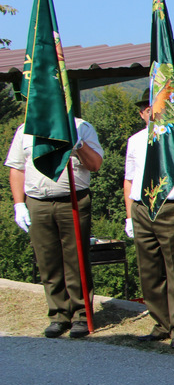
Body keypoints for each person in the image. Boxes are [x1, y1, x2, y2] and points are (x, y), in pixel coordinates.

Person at [7, 117, 104, 338]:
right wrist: (19, 204)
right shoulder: (25, 129)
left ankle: (81, 314)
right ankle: (59, 315)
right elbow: (17, 168)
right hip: (37, 202)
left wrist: (79, 144)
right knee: (47, 261)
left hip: (73, 200)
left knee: (76, 259)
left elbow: (95, 165)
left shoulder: (80, 127)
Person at [123, 92, 174, 348]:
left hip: (169, 205)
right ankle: (161, 323)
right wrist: (129, 216)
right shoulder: (135, 141)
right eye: (148, 110)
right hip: (141, 207)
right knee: (149, 269)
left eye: (156, 109)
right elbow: (129, 180)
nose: (153, 114)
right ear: (142, 114)